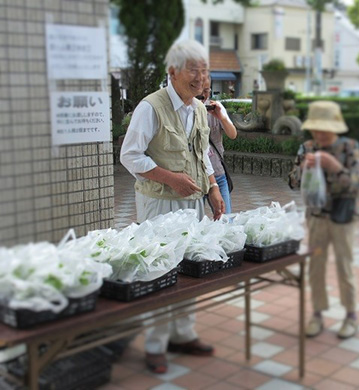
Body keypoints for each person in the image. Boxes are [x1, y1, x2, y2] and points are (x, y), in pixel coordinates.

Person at [120, 39, 225, 374]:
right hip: (159, 202)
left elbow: (202, 153)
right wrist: (170, 178)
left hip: (192, 201)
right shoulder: (150, 107)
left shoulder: (196, 108)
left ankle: (183, 334)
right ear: (173, 71)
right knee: (160, 269)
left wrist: (212, 187)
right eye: (194, 70)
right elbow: (129, 156)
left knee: (189, 263)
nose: (201, 77)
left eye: (205, 70)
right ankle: (155, 344)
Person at [288, 101, 359, 339]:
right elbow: (292, 182)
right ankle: (317, 314)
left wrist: (334, 166)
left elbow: (356, 184)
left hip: (343, 216)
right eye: (316, 128)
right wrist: (302, 167)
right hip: (317, 217)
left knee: (344, 266)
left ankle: (351, 316)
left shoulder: (350, 147)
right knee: (316, 267)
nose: (320, 134)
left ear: (335, 128)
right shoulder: (307, 148)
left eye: (325, 128)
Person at [197, 76, 237, 213]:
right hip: (197, 177)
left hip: (218, 173)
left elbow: (233, 134)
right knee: (194, 223)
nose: (203, 94)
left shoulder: (216, 108)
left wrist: (222, 117)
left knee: (226, 219)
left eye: (207, 90)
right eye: (200, 89)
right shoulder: (186, 110)